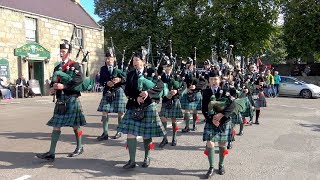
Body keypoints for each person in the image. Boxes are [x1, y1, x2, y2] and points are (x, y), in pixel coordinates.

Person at [35, 41, 86, 162]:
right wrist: (52, 88)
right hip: (60, 100)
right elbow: (54, 82)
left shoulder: (75, 65)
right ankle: (51, 153)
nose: (61, 53)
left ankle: (80, 147)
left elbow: (79, 80)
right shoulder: (57, 67)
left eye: (63, 51)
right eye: (60, 51)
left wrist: (64, 86)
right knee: (56, 125)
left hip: (71, 98)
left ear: (68, 52)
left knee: (75, 125)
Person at [116, 52, 166, 169]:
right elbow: (127, 90)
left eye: (137, 60)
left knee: (146, 134)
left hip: (148, 106)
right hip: (134, 105)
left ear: (143, 61)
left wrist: (148, 93)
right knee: (130, 133)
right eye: (134, 60)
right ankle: (132, 161)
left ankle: (146, 157)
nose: (135, 62)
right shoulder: (130, 74)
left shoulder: (151, 72)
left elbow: (160, 86)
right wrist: (136, 97)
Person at [202, 70, 235, 178]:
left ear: (220, 80)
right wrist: (212, 119)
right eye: (211, 79)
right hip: (211, 121)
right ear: (209, 81)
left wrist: (221, 115)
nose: (213, 81)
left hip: (224, 121)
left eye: (215, 79)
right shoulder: (206, 92)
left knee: (222, 144)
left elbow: (232, 105)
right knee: (210, 143)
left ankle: (221, 165)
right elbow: (204, 109)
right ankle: (211, 167)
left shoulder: (226, 90)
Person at [96, 52, 126, 140]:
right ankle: (105, 133)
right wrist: (106, 83)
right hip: (108, 91)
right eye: (107, 58)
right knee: (104, 111)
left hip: (118, 90)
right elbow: (101, 81)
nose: (108, 60)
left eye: (110, 58)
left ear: (114, 59)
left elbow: (126, 78)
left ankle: (119, 131)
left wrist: (119, 79)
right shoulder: (103, 69)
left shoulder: (120, 68)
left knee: (120, 112)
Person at [158, 60, 184, 148]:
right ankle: (165, 139)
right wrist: (165, 95)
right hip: (166, 100)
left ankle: (174, 138)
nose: (167, 69)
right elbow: (157, 87)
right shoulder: (161, 76)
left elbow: (183, 86)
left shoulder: (176, 76)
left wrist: (176, 91)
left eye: (169, 67)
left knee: (174, 120)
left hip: (174, 99)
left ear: (171, 67)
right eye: (165, 67)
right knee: (163, 119)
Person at [180, 58, 202, 133]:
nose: (190, 65)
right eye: (188, 64)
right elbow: (182, 80)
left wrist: (196, 86)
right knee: (187, 110)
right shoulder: (184, 72)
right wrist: (186, 88)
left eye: (191, 64)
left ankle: (194, 125)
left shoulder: (197, 72)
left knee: (195, 110)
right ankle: (187, 126)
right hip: (188, 92)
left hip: (196, 93)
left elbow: (203, 82)